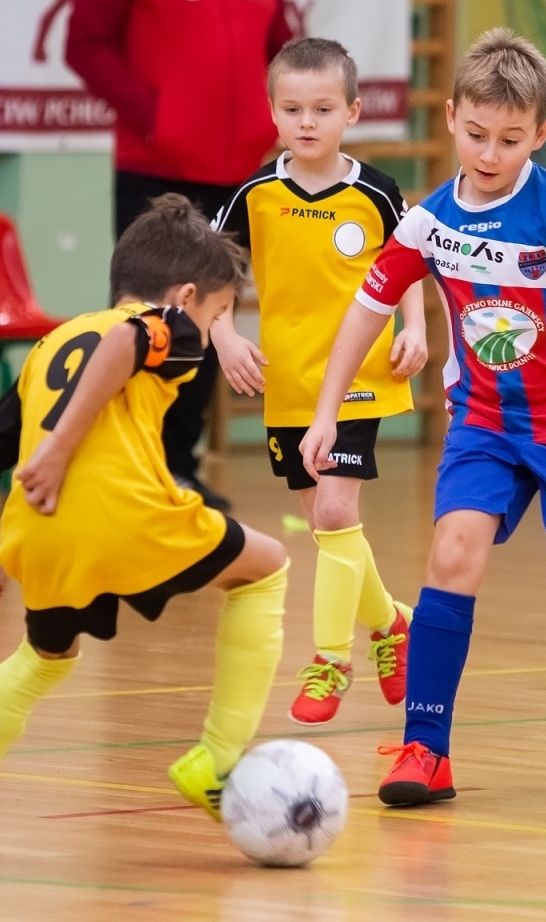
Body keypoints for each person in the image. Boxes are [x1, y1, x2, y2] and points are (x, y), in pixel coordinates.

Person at [301, 29, 546, 806]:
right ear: (451, 118)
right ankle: (426, 748)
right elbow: (365, 310)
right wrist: (326, 412)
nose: (489, 153)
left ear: (539, 135)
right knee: (453, 554)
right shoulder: (429, 220)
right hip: (483, 422)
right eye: (477, 134)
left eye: (511, 140)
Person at [0, 198, 289, 863]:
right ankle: (216, 759)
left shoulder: (48, 345)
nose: (214, 328)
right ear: (187, 295)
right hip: (126, 513)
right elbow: (128, 343)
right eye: (219, 313)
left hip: (41, 532)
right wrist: (57, 449)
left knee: (40, 661)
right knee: (269, 565)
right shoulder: (170, 324)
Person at [65, 0, 294, 511]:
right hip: (152, 173)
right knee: (150, 325)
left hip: (235, 179)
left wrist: (273, 121)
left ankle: (178, 469)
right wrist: (155, 115)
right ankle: (129, 471)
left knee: (212, 324)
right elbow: (86, 42)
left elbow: (283, 53)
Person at [212, 38, 427, 725]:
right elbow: (209, 273)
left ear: (352, 111)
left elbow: (410, 262)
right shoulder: (256, 193)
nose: (307, 121)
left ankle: (331, 659)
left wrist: (415, 328)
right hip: (290, 383)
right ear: (273, 113)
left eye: (323, 108)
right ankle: (392, 621)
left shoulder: (376, 192)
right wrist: (222, 335)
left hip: (361, 376)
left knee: (336, 513)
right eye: (293, 108)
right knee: (326, 523)